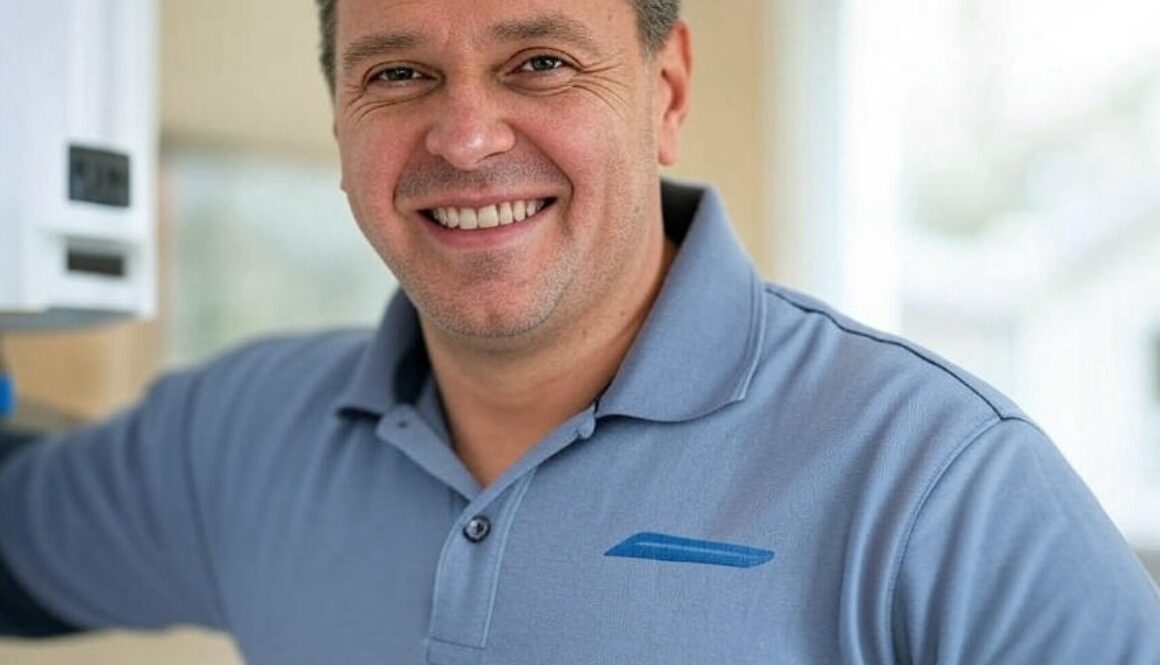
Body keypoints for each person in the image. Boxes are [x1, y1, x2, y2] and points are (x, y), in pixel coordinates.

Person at [2, 0, 1159, 662]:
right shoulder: (238, 437)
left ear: (662, 91)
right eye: (398, 73)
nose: (462, 136)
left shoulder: (941, 484)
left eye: (538, 61)